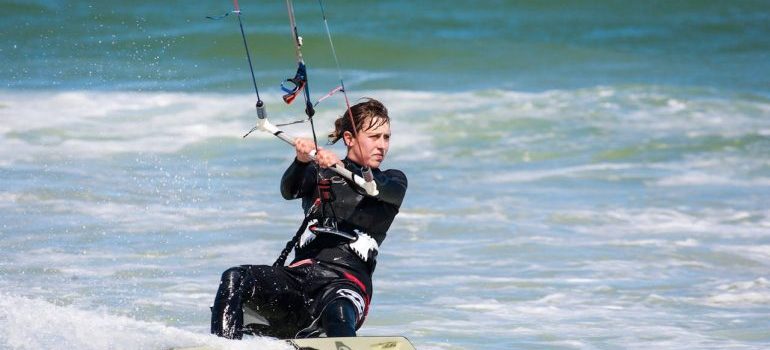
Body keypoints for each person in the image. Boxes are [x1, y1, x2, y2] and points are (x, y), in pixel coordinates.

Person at [210, 98, 407, 339]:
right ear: (349, 139)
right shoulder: (319, 171)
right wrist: (301, 161)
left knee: (338, 313)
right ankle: (222, 344)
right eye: (374, 137)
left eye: (386, 137)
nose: (382, 145)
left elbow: (374, 187)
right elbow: (289, 191)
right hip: (300, 280)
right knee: (235, 277)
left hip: (346, 284)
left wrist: (341, 167)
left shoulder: (394, 180)